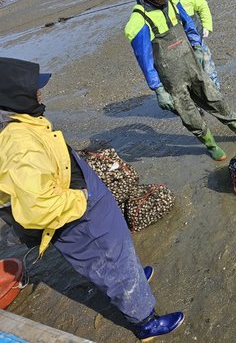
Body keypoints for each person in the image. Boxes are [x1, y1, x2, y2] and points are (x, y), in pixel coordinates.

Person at [0, 57, 183, 340]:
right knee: (107, 255)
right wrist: (81, 200)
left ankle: (128, 275)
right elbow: (37, 208)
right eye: (35, 88)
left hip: (78, 193)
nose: (41, 91)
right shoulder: (17, 144)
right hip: (75, 212)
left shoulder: (23, 119)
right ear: (14, 95)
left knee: (116, 248)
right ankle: (144, 320)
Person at [124, 0, 236, 161]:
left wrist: (197, 47)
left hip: (192, 66)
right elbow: (144, 59)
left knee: (215, 99)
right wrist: (157, 89)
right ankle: (210, 145)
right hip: (172, 78)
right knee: (189, 114)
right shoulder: (138, 21)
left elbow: (189, 26)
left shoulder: (174, 3)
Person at [153, 0, 221, 90]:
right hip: (178, 46)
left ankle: (216, 92)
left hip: (197, 40)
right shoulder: (161, 3)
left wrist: (207, 26)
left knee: (208, 68)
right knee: (188, 76)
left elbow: (203, 6)